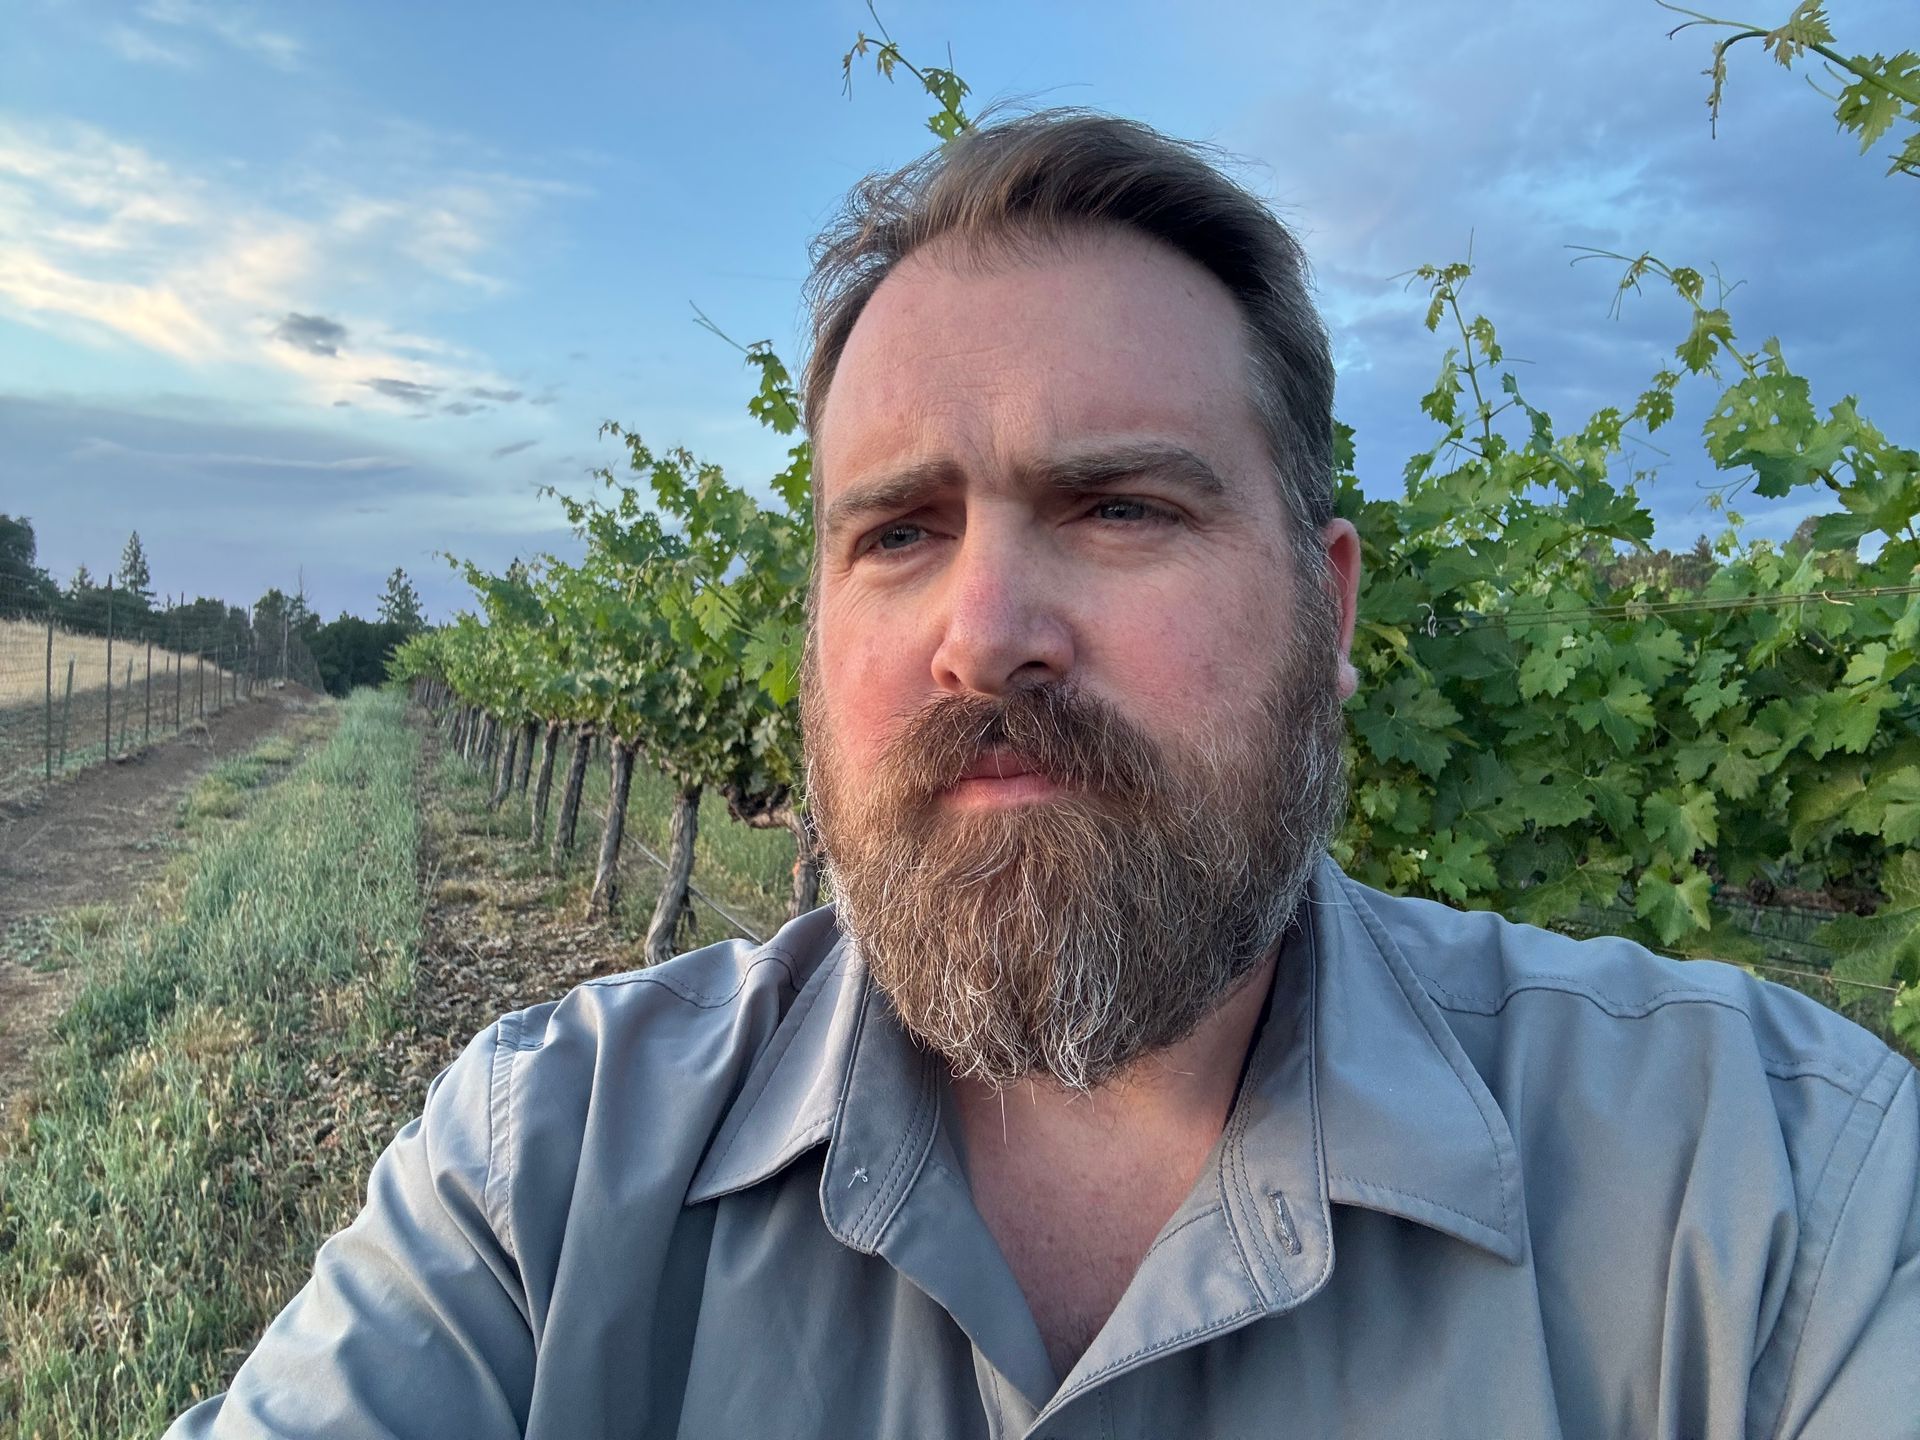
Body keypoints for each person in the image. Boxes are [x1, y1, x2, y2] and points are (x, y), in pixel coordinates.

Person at [167, 110, 1918, 1440]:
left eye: (1121, 507)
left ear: (1328, 609)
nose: (987, 634)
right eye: (898, 533)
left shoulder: (1775, 1201)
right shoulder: (536, 1182)